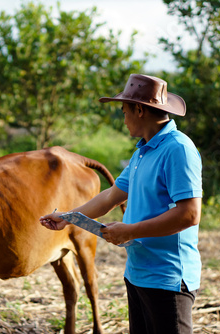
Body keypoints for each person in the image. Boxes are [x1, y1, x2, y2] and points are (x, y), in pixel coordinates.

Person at [40, 74, 202, 334]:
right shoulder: (142, 151)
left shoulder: (178, 149)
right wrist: (67, 217)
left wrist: (130, 231)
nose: (123, 118)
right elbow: (109, 197)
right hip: (137, 274)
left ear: (139, 110)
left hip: (168, 279)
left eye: (125, 111)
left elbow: (189, 214)